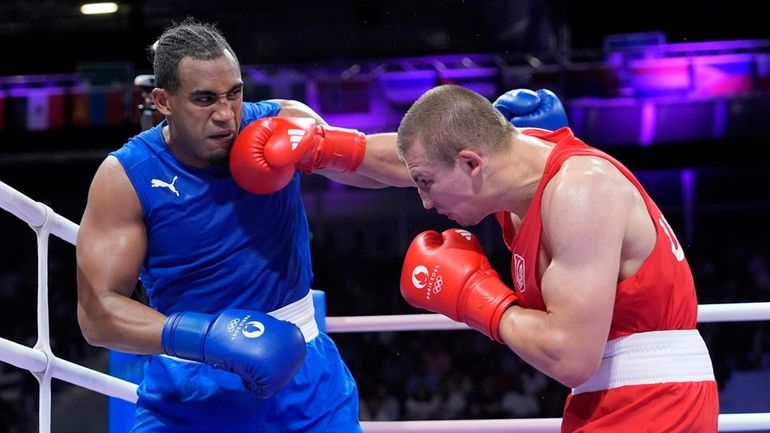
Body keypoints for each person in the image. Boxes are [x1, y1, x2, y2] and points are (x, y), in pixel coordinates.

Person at [75, 17, 567, 433]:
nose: (226, 115)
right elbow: (98, 314)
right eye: (204, 99)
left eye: (235, 94)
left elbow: (387, 163)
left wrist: (502, 139)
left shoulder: (277, 125)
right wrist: (206, 336)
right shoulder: (127, 176)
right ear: (162, 101)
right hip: (188, 389)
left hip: (305, 377)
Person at [396, 84, 719, 432]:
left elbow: (570, 356)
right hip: (603, 398)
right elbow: (416, 150)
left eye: (425, 183)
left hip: (657, 402)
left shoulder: (581, 190)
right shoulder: (515, 171)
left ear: (471, 163)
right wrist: (338, 147)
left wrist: (474, 295)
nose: (425, 201)